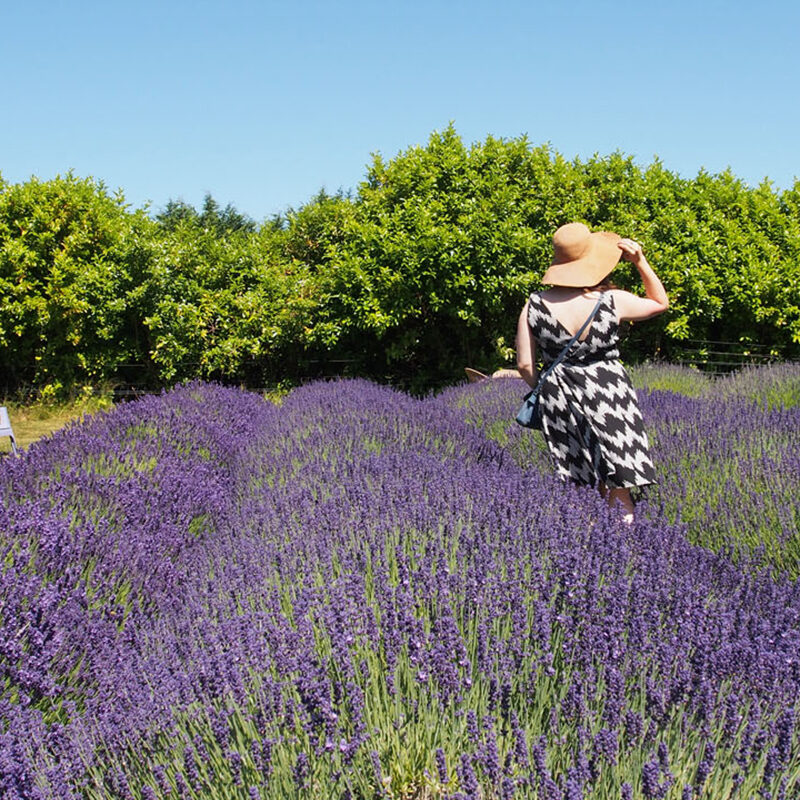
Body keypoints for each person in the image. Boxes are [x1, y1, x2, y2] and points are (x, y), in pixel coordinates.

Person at [515, 222, 669, 522]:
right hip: (609, 394)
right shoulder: (610, 301)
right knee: (618, 477)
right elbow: (659, 303)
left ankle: (584, 549)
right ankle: (624, 549)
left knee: (579, 482)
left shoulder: (533, 305)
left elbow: (524, 365)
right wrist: (640, 261)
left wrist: (548, 388)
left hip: (559, 398)